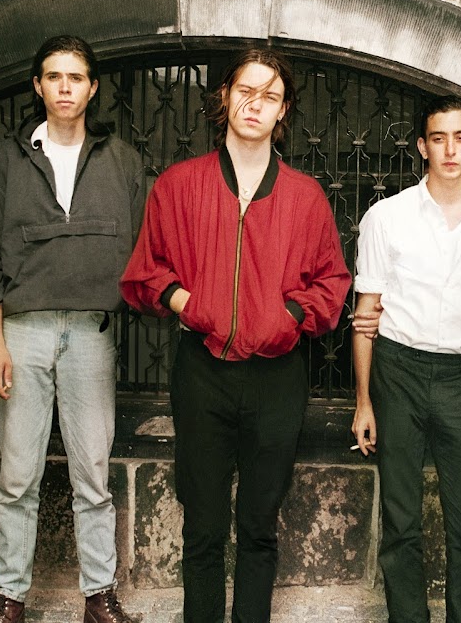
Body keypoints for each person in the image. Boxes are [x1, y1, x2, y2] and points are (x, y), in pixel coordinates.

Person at [119, 49, 351, 623]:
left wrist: (287, 316)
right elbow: (147, 272)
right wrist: (191, 304)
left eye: (270, 96)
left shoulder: (304, 196)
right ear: (224, 97)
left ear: (284, 110)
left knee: (258, 526)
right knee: (202, 527)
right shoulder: (179, 185)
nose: (256, 104)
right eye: (246, 91)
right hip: (203, 373)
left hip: (277, 378)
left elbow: (332, 282)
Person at [0, 35, 144, 623]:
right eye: (54, 77)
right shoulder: (6, 161)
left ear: (93, 88)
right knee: (18, 476)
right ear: (38, 86)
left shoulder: (121, 161)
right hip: (22, 332)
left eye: (76, 77)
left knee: (94, 473)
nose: (65, 87)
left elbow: (146, 246)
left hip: (91, 332)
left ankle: (99, 597)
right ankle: (10, 597)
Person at [350, 95, 461, 623]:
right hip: (397, 371)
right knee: (401, 522)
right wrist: (363, 401)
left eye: (460, 138)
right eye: (438, 138)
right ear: (422, 146)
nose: (449, 150)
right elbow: (366, 312)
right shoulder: (387, 217)